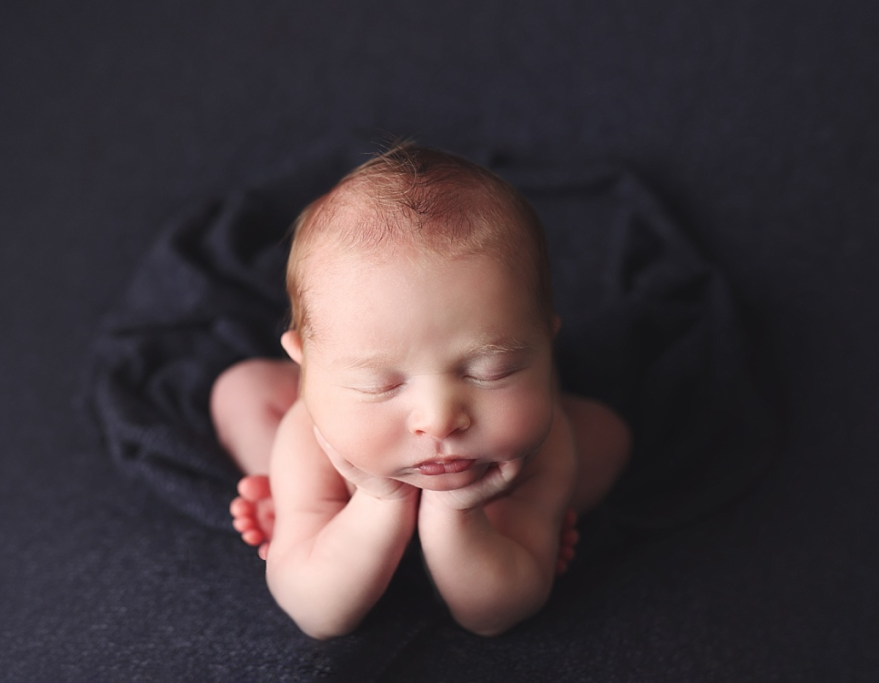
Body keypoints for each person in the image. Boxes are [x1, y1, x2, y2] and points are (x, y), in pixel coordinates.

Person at [209, 143, 631, 639]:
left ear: (545, 342)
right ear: (308, 366)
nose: (439, 418)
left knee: (608, 436)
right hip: (341, 478)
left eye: (491, 370)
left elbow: (493, 615)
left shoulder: (540, 447)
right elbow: (317, 615)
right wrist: (377, 500)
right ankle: (298, 511)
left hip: (497, 509)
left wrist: (459, 511)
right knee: (240, 391)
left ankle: (522, 521)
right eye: (380, 383)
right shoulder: (311, 433)